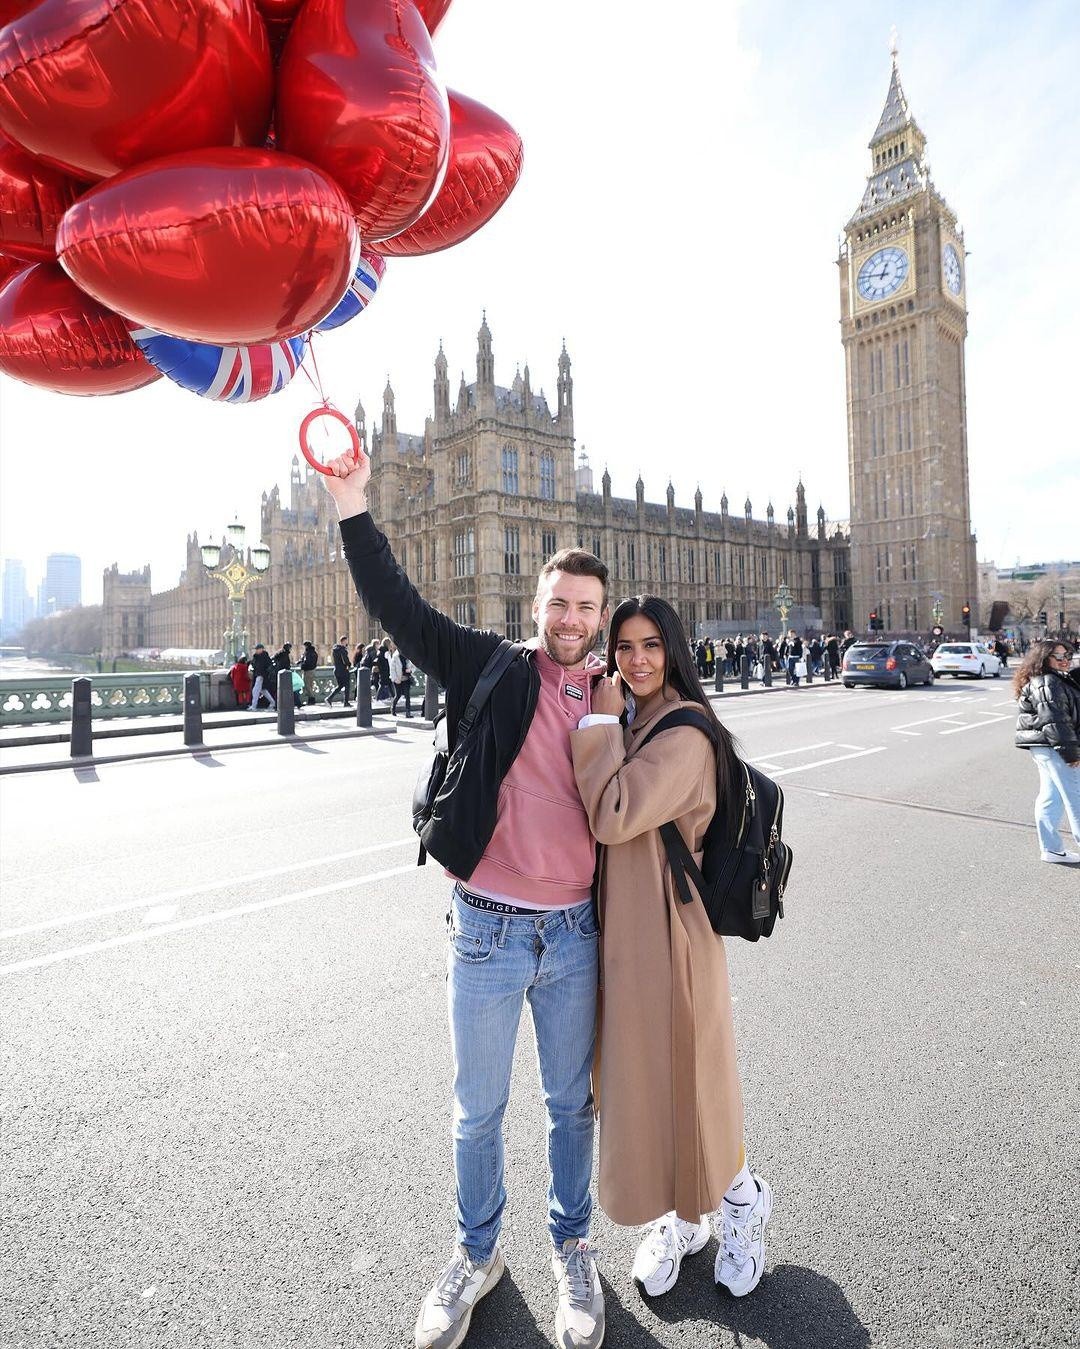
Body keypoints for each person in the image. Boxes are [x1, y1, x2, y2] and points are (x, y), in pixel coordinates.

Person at [321, 446, 609, 1349]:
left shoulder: (614, 693)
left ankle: (572, 1249)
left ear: (602, 619)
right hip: (484, 929)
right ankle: (476, 1252)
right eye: (558, 603)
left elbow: (687, 760)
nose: (571, 618)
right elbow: (396, 607)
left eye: (586, 607)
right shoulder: (490, 664)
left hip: (575, 932)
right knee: (476, 1110)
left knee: (571, 1106)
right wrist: (353, 505)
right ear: (538, 610)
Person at [571, 594, 771, 1301]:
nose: (637, 659)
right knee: (646, 1083)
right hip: (627, 934)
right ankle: (682, 1218)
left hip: (674, 934)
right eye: (624, 646)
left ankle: (742, 1203)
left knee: (696, 1080)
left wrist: (595, 718)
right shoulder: (639, 717)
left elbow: (613, 810)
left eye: (651, 644)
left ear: (674, 649)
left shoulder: (683, 732)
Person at [1013, 640, 1080, 865]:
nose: (1065, 660)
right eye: (1058, 657)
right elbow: (1055, 721)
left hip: (1047, 747)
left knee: (1052, 797)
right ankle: (1053, 847)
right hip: (1055, 747)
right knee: (1076, 797)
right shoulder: (1048, 682)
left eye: (1067, 655)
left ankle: (1051, 848)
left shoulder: (1055, 679)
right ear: (1044, 659)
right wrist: (1071, 754)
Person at [389, 642, 414, 718]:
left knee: (407, 696)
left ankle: (408, 712)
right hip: (398, 679)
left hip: (406, 678)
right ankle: (393, 709)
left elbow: (413, 665)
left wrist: (410, 670)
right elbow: (392, 669)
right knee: (398, 695)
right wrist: (395, 679)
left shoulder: (408, 656)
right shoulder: (395, 657)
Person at [248, 644, 276, 711]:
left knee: (255, 691)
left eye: (257, 649)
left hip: (261, 676)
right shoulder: (256, 657)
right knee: (263, 691)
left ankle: (254, 706)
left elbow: (266, 667)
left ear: (262, 649)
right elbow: (253, 665)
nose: (256, 650)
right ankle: (273, 703)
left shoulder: (264, 657)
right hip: (257, 675)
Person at [327, 635, 351, 706]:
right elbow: (345, 660)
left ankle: (329, 698)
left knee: (340, 686)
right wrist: (349, 664)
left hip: (336, 670)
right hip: (343, 670)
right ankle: (346, 702)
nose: (347, 642)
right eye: (347, 640)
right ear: (344, 641)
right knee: (347, 686)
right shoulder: (342, 650)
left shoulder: (335, 649)